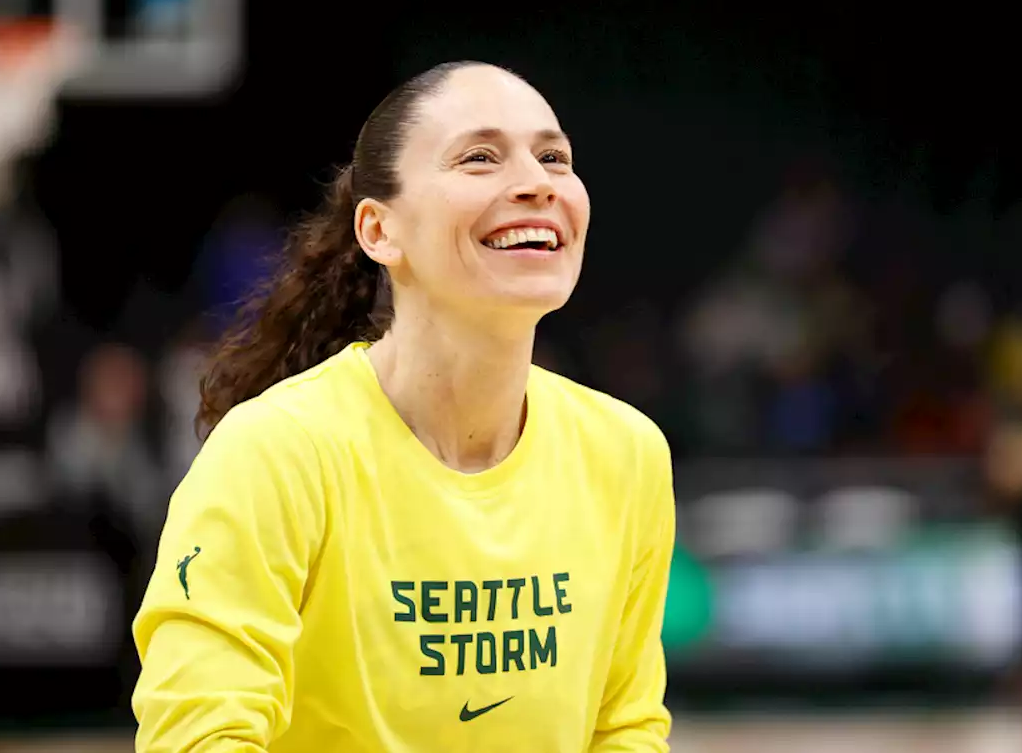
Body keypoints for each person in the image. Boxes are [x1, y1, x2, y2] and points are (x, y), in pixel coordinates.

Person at [131, 61, 676, 752]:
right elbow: (199, 739)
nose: (537, 183)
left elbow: (625, 727)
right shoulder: (275, 453)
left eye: (553, 158)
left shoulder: (626, 454)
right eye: (479, 158)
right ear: (379, 231)